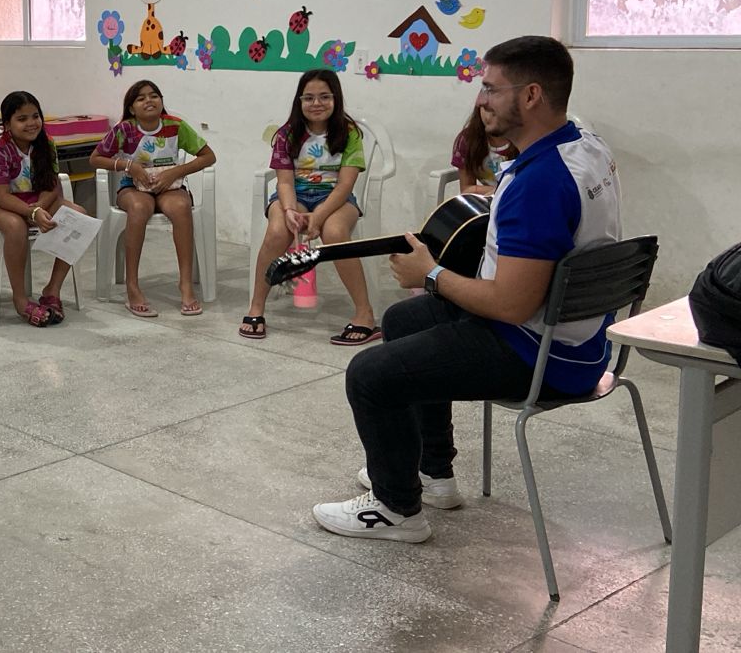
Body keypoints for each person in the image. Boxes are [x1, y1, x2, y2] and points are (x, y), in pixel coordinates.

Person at [312, 35, 619, 543]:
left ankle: (395, 510)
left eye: (492, 89)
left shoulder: (538, 183)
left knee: (369, 374)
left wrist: (430, 274)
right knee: (403, 320)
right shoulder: (585, 146)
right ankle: (433, 471)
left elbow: (511, 304)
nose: (481, 101)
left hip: (540, 354)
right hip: (580, 342)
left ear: (531, 96)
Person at [242, 69, 378, 345]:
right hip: (295, 197)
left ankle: (365, 314)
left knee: (335, 233)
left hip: (336, 199)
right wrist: (291, 211)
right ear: (299, 101)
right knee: (277, 231)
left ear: (336, 99)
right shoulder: (286, 134)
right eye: (309, 98)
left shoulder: (350, 133)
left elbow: (345, 185)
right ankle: (256, 307)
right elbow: (285, 183)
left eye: (325, 97)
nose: (317, 103)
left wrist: (319, 216)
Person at [90, 80, 216, 318]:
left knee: (181, 206)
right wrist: (129, 166)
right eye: (141, 98)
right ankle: (132, 285)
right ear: (131, 108)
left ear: (161, 101)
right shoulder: (124, 129)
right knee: (139, 208)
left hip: (169, 186)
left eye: (154, 96)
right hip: (133, 187)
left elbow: (208, 156)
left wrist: (175, 172)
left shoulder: (175, 126)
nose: (148, 101)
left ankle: (185, 283)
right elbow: (95, 159)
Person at [0, 91, 87, 327]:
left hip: (35, 199)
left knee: (78, 215)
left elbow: (51, 185)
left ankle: (52, 290)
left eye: (35, 116)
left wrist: (38, 207)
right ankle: (20, 299)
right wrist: (32, 213)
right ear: (7, 124)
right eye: (22, 118)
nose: (31, 123)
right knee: (15, 226)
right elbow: (2, 197)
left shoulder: (46, 144)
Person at [450, 102, 516, 195]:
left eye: (500, 108)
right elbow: (466, 189)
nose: (491, 116)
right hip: (488, 199)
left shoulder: (525, 139)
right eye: (487, 108)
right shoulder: (468, 140)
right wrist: (496, 192)